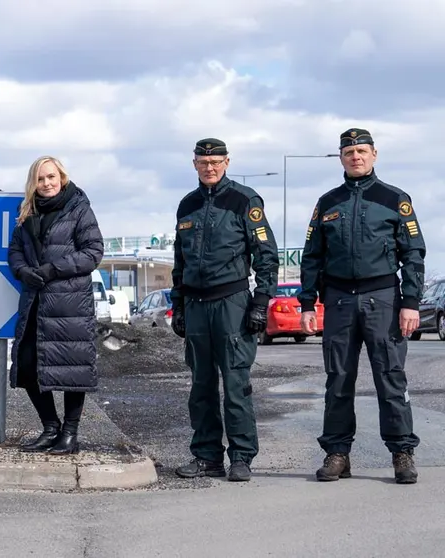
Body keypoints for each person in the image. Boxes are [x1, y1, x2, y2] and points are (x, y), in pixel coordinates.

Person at [298, 128, 424, 484]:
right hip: (338, 300)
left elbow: (413, 253)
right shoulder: (328, 203)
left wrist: (411, 302)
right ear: (341, 157)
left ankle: (402, 452)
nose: (356, 156)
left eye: (362, 151)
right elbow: (312, 257)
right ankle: (338, 454)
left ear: (374, 154)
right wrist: (307, 303)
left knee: (390, 378)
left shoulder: (394, 198)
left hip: (383, 298)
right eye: (349, 151)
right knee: (338, 379)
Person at [170, 138, 279, 482]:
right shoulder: (186, 205)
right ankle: (206, 456)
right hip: (197, 305)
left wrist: (260, 303)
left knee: (235, 384)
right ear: (195, 164)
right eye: (204, 162)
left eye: (216, 161)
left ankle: (242, 457)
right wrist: (179, 306)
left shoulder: (245, 201)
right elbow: (179, 262)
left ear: (227, 162)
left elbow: (266, 256)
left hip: (231, 303)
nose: (210, 167)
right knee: (200, 386)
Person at [7, 156, 103, 455]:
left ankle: (70, 435)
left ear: (61, 177)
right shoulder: (27, 212)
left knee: (73, 368)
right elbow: (14, 251)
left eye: (51, 177)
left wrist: (53, 269)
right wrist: (23, 271)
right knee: (27, 364)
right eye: (40, 179)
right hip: (35, 301)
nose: (47, 183)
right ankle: (50, 428)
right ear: (33, 183)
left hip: (69, 303)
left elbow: (93, 252)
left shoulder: (78, 208)